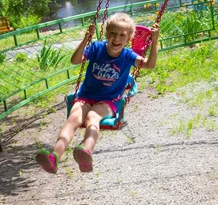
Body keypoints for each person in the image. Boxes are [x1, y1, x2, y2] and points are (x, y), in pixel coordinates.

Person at [36, 13, 159, 173]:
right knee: (73, 118)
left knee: (92, 118)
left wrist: (154, 41)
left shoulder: (128, 56)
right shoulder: (96, 48)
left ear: (128, 38)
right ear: (107, 34)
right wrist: (86, 39)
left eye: (122, 35)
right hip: (85, 97)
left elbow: (149, 65)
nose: (117, 38)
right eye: (113, 33)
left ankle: (85, 153)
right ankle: (54, 156)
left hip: (108, 101)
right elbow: (75, 60)